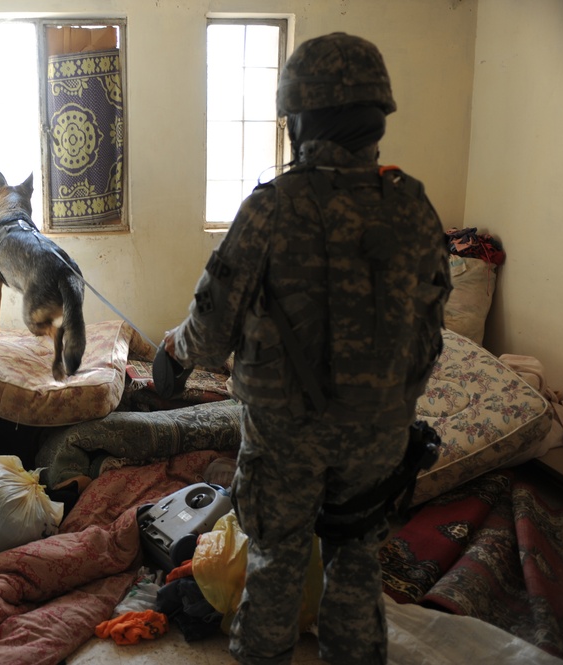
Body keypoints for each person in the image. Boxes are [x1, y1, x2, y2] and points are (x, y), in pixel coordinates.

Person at [160, 32, 452, 664]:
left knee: (273, 564)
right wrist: (391, 403)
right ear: (375, 117)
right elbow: (431, 330)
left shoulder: (271, 208)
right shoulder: (413, 205)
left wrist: (173, 352)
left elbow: (210, 336)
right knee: (356, 566)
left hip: (285, 435)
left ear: (298, 120)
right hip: (379, 434)